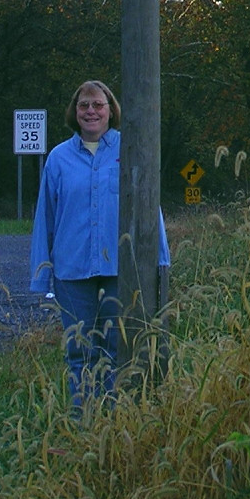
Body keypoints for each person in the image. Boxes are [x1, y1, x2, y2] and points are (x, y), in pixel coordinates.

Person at [30, 78, 170, 410]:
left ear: (111, 110)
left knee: (114, 348)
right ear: (74, 111)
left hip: (118, 269)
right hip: (71, 270)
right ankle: (83, 423)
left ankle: (111, 424)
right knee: (79, 351)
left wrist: (160, 262)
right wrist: (40, 275)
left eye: (98, 105)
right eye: (84, 105)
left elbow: (151, 207)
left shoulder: (129, 149)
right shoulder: (59, 159)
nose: (91, 111)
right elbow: (44, 218)